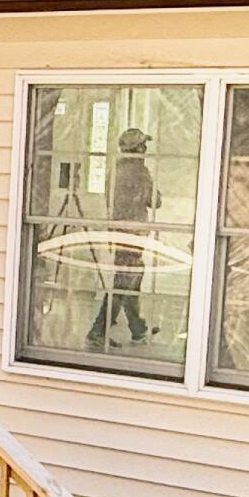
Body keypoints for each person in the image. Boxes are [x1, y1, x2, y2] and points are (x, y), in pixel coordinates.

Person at [87, 124, 158, 349]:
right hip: (133, 233)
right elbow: (155, 200)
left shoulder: (115, 170)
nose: (145, 148)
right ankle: (98, 330)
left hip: (119, 231)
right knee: (124, 281)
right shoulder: (139, 172)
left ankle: (138, 329)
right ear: (136, 149)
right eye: (143, 145)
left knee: (132, 279)